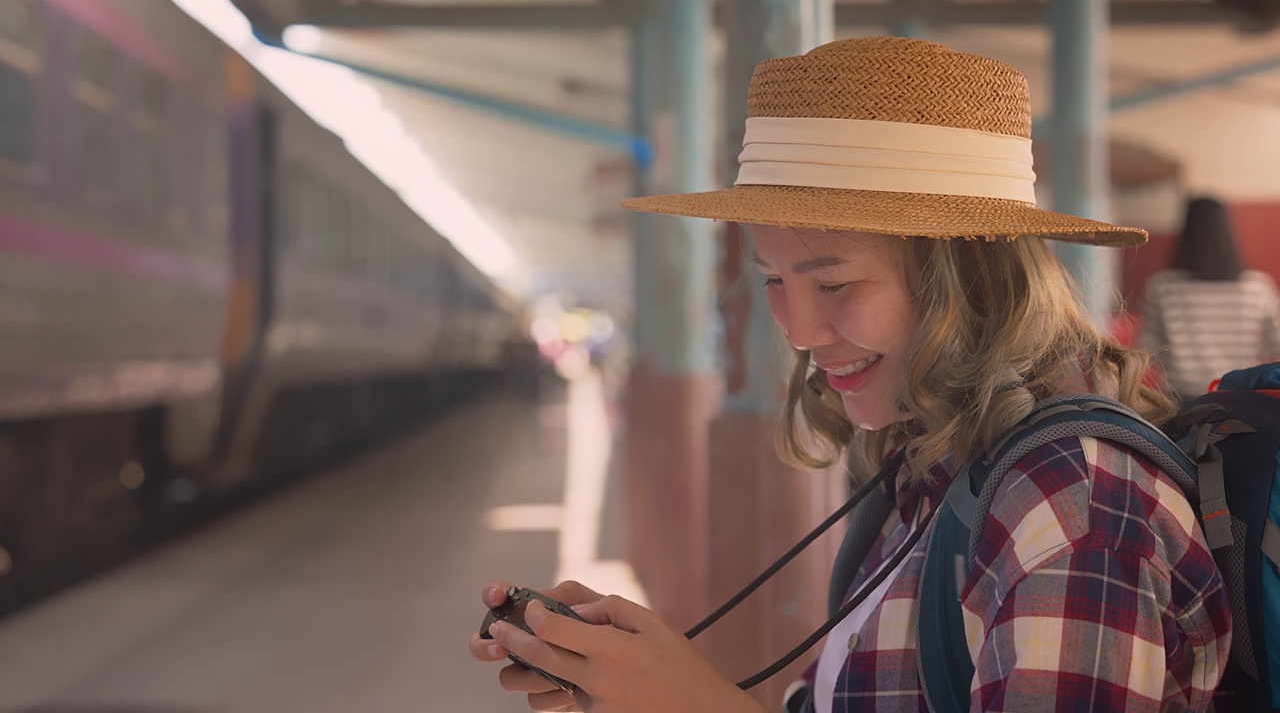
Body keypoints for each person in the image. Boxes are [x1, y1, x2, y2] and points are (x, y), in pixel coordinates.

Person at [468, 36, 1231, 712]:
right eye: (773, 278)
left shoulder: (1072, 502)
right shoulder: (936, 461)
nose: (798, 330)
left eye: (834, 284)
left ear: (972, 279)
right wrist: (646, 678)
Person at [1137, 195, 1280, 403]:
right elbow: (1276, 344)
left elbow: (1147, 347)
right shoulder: (1256, 287)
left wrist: (1178, 362)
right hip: (1239, 399)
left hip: (1180, 399)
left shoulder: (1163, 286)